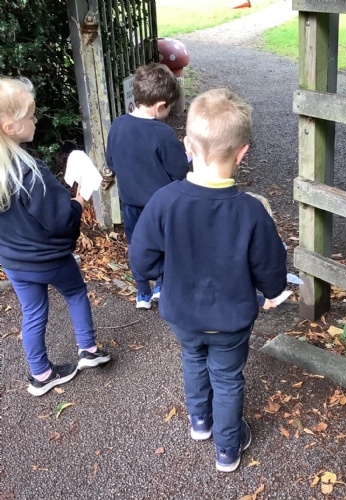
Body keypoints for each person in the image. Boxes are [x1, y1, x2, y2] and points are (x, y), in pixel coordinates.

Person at [129, 88, 287, 472]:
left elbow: (141, 259)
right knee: (228, 377)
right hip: (230, 318)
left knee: (193, 359)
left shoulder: (165, 201)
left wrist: (163, 273)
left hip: (182, 313)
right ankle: (227, 448)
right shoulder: (250, 211)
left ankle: (200, 421)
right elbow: (270, 263)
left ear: (187, 145)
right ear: (242, 153)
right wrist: (272, 292)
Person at [0, 76, 110, 396]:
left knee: (33, 312)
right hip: (50, 259)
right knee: (75, 292)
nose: (36, 120)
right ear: (9, 127)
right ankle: (88, 350)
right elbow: (62, 221)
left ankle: (41, 374)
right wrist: (80, 198)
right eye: (31, 115)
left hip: (14, 261)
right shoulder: (30, 172)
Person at [105, 63, 189, 309]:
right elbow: (179, 170)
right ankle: (161, 284)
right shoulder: (162, 133)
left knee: (137, 246)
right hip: (161, 205)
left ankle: (142, 292)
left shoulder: (118, 125)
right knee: (165, 243)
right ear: (161, 105)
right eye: (169, 107)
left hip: (130, 203)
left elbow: (111, 161)